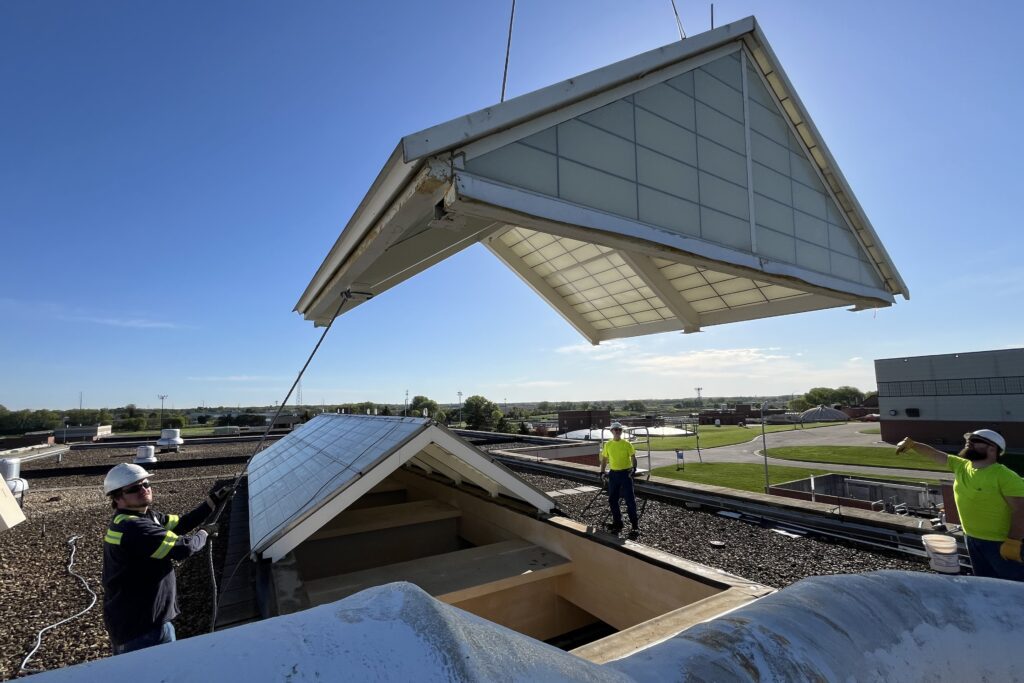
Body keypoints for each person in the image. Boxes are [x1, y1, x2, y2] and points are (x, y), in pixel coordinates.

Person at [101, 463, 232, 654]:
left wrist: (212, 502)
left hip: (149, 622)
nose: (144, 490)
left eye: (146, 484)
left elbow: (181, 523)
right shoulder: (134, 527)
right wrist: (204, 533)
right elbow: (183, 548)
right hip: (141, 629)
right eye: (134, 489)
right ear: (117, 497)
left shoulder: (146, 516)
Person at [897, 429, 1024, 581]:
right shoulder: (962, 466)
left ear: (993, 448)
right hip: (971, 538)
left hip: (1001, 543)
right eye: (969, 440)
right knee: (984, 582)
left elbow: (1020, 510)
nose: (969, 442)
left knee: (1015, 586)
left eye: (976, 440)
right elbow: (935, 455)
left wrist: (1014, 541)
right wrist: (914, 445)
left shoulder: (1005, 476)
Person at [599, 422, 639, 534]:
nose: (617, 431)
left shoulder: (627, 444)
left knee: (630, 500)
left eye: (619, 430)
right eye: (615, 429)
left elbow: (633, 457)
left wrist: (634, 468)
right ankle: (618, 523)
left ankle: (635, 525)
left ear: (621, 431)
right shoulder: (608, 445)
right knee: (612, 500)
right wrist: (601, 472)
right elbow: (604, 460)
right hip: (613, 474)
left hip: (626, 474)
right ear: (611, 431)